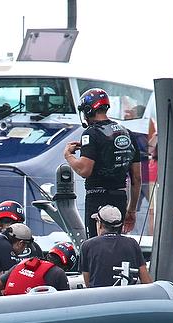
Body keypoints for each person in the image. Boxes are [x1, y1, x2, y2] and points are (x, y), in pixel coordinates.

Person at [64, 87, 142, 238]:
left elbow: (84, 170)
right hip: (120, 198)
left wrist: (68, 155)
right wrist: (131, 210)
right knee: (114, 244)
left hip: (97, 198)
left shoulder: (90, 133)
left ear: (88, 110)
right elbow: (137, 178)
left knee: (94, 246)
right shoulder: (127, 133)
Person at [79, 205, 153, 288]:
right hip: (129, 297)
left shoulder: (87, 246)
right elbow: (146, 281)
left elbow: (88, 282)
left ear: (100, 224)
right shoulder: (132, 243)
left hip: (100, 298)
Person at [0, 241, 77, 296]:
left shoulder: (23, 263)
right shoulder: (58, 273)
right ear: (66, 267)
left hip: (7, 313)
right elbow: (65, 304)